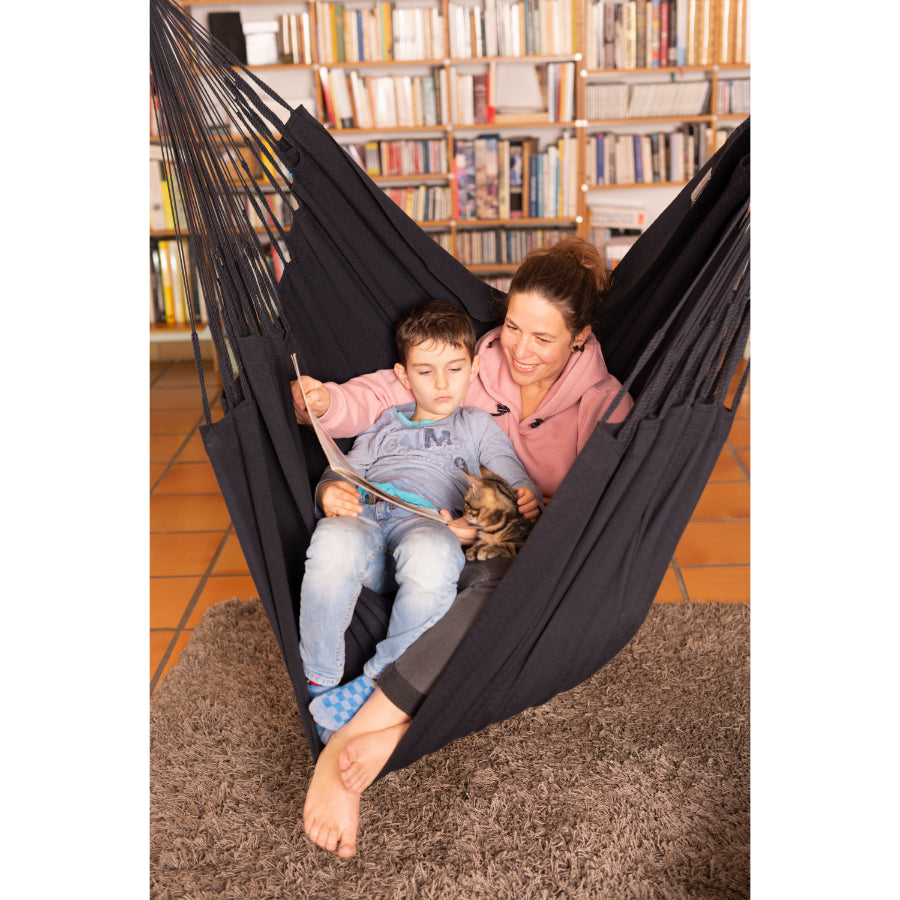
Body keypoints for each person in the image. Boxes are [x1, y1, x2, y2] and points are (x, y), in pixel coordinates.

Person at [294, 235, 634, 857]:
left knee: (501, 596)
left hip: (530, 555)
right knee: (444, 575)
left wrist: (531, 508)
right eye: (511, 327)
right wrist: (328, 402)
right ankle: (383, 730)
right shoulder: (479, 362)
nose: (520, 352)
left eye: (543, 339)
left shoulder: (603, 405)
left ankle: (358, 738)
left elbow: (608, 507)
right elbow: (397, 393)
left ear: (580, 337)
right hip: (451, 537)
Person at [300, 299, 542, 743]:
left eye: (454, 369)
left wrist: (523, 496)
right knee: (333, 542)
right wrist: (328, 491)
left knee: (432, 553)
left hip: (429, 529)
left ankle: (377, 681)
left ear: (473, 370)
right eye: (426, 372)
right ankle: (319, 678)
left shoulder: (477, 425)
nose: (442, 383)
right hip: (369, 522)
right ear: (404, 375)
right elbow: (342, 469)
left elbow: (511, 481)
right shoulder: (384, 424)